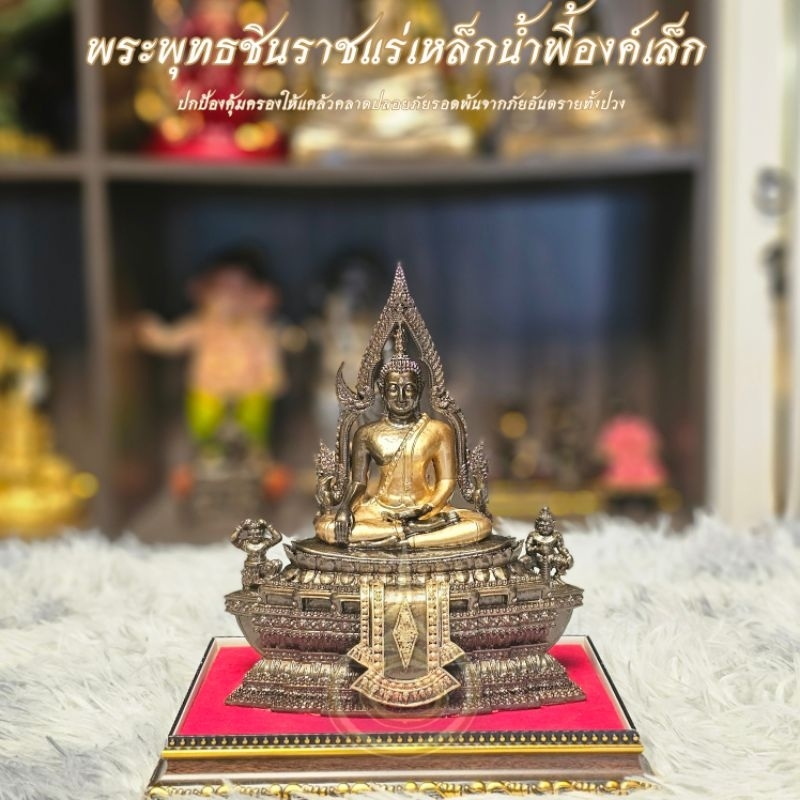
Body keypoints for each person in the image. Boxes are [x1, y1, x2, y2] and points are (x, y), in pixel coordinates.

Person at [314, 326, 492, 549]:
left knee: (479, 524)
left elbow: (446, 482)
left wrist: (425, 510)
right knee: (327, 527)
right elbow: (359, 483)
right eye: (393, 389)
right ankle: (409, 535)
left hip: (426, 510)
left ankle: (396, 539)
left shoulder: (438, 430)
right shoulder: (367, 433)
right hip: (380, 510)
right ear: (382, 390)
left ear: (420, 389)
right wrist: (346, 508)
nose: (400, 397)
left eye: (408, 388)